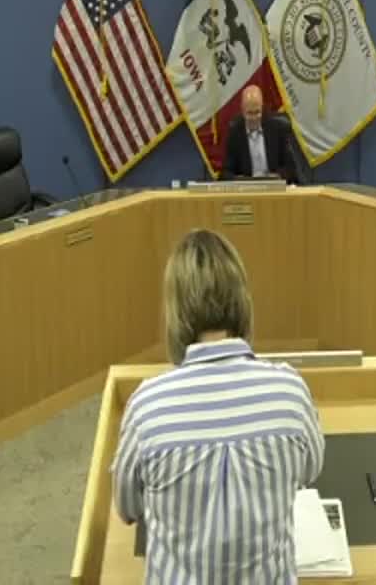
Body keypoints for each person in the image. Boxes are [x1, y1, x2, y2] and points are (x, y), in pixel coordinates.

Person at [111, 229, 325, 582]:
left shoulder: (147, 406)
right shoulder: (290, 391)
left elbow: (127, 508)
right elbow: (309, 471)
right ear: (243, 302)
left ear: (174, 312)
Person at [221, 85, 299, 182]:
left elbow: (291, 169)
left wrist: (277, 176)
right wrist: (240, 180)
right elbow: (226, 173)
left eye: (257, 112)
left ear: (262, 107)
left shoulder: (277, 128)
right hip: (248, 189)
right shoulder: (235, 132)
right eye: (250, 113)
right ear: (242, 110)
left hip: (273, 187)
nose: (254, 118)